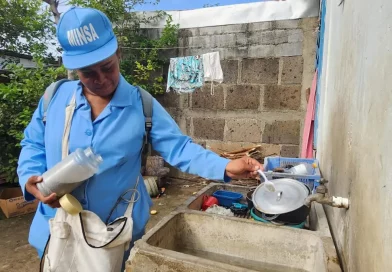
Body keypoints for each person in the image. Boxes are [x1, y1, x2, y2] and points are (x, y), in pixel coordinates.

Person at [17, 6, 263, 269]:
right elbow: (33, 143)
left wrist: (224, 166)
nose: (100, 79)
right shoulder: (54, 98)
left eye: (107, 67)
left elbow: (179, 148)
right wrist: (29, 177)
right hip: (56, 231)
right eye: (88, 73)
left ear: (118, 54)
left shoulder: (141, 105)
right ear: (75, 69)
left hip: (112, 236)